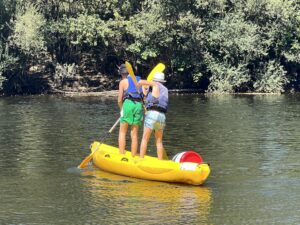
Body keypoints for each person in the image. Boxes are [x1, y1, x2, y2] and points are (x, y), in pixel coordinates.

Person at [138, 72, 168, 160]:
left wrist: (141, 83)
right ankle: (160, 161)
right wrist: (145, 91)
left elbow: (140, 82)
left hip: (152, 114)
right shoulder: (165, 89)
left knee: (145, 139)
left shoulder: (155, 85)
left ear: (155, 80)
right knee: (158, 141)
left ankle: (141, 159)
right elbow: (148, 98)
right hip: (161, 116)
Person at [117, 63, 143, 157]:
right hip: (139, 105)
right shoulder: (140, 80)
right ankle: (133, 155)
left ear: (122, 73)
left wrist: (121, 110)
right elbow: (144, 94)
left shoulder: (123, 82)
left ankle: (121, 154)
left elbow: (119, 100)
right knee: (134, 133)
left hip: (127, 104)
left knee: (122, 132)